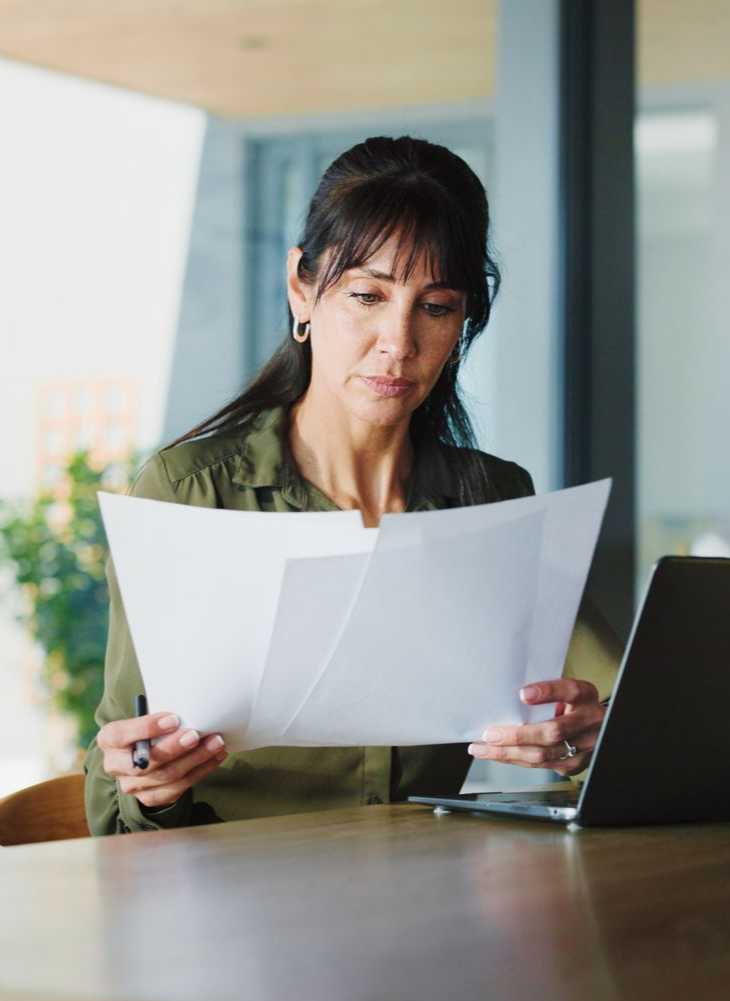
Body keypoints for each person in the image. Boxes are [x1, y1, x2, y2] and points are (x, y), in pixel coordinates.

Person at [84, 136, 622, 835]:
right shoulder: (189, 492)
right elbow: (114, 791)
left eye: (435, 306)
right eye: (367, 295)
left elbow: (624, 724)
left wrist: (583, 740)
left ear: (463, 322)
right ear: (300, 290)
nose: (397, 342)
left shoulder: (495, 502)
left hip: (429, 903)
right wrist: (148, 782)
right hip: (227, 906)